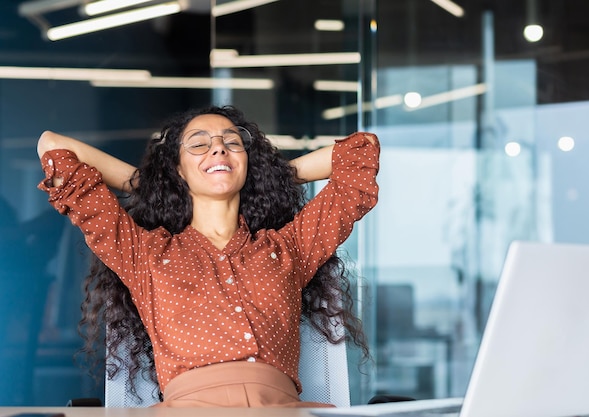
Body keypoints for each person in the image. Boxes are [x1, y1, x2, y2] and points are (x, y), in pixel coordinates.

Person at [37, 105, 380, 407]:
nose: (218, 148)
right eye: (199, 145)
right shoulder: (143, 253)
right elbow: (53, 145)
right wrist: (156, 183)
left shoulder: (289, 247)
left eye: (232, 143)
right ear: (178, 170)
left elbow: (360, 153)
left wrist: (268, 179)